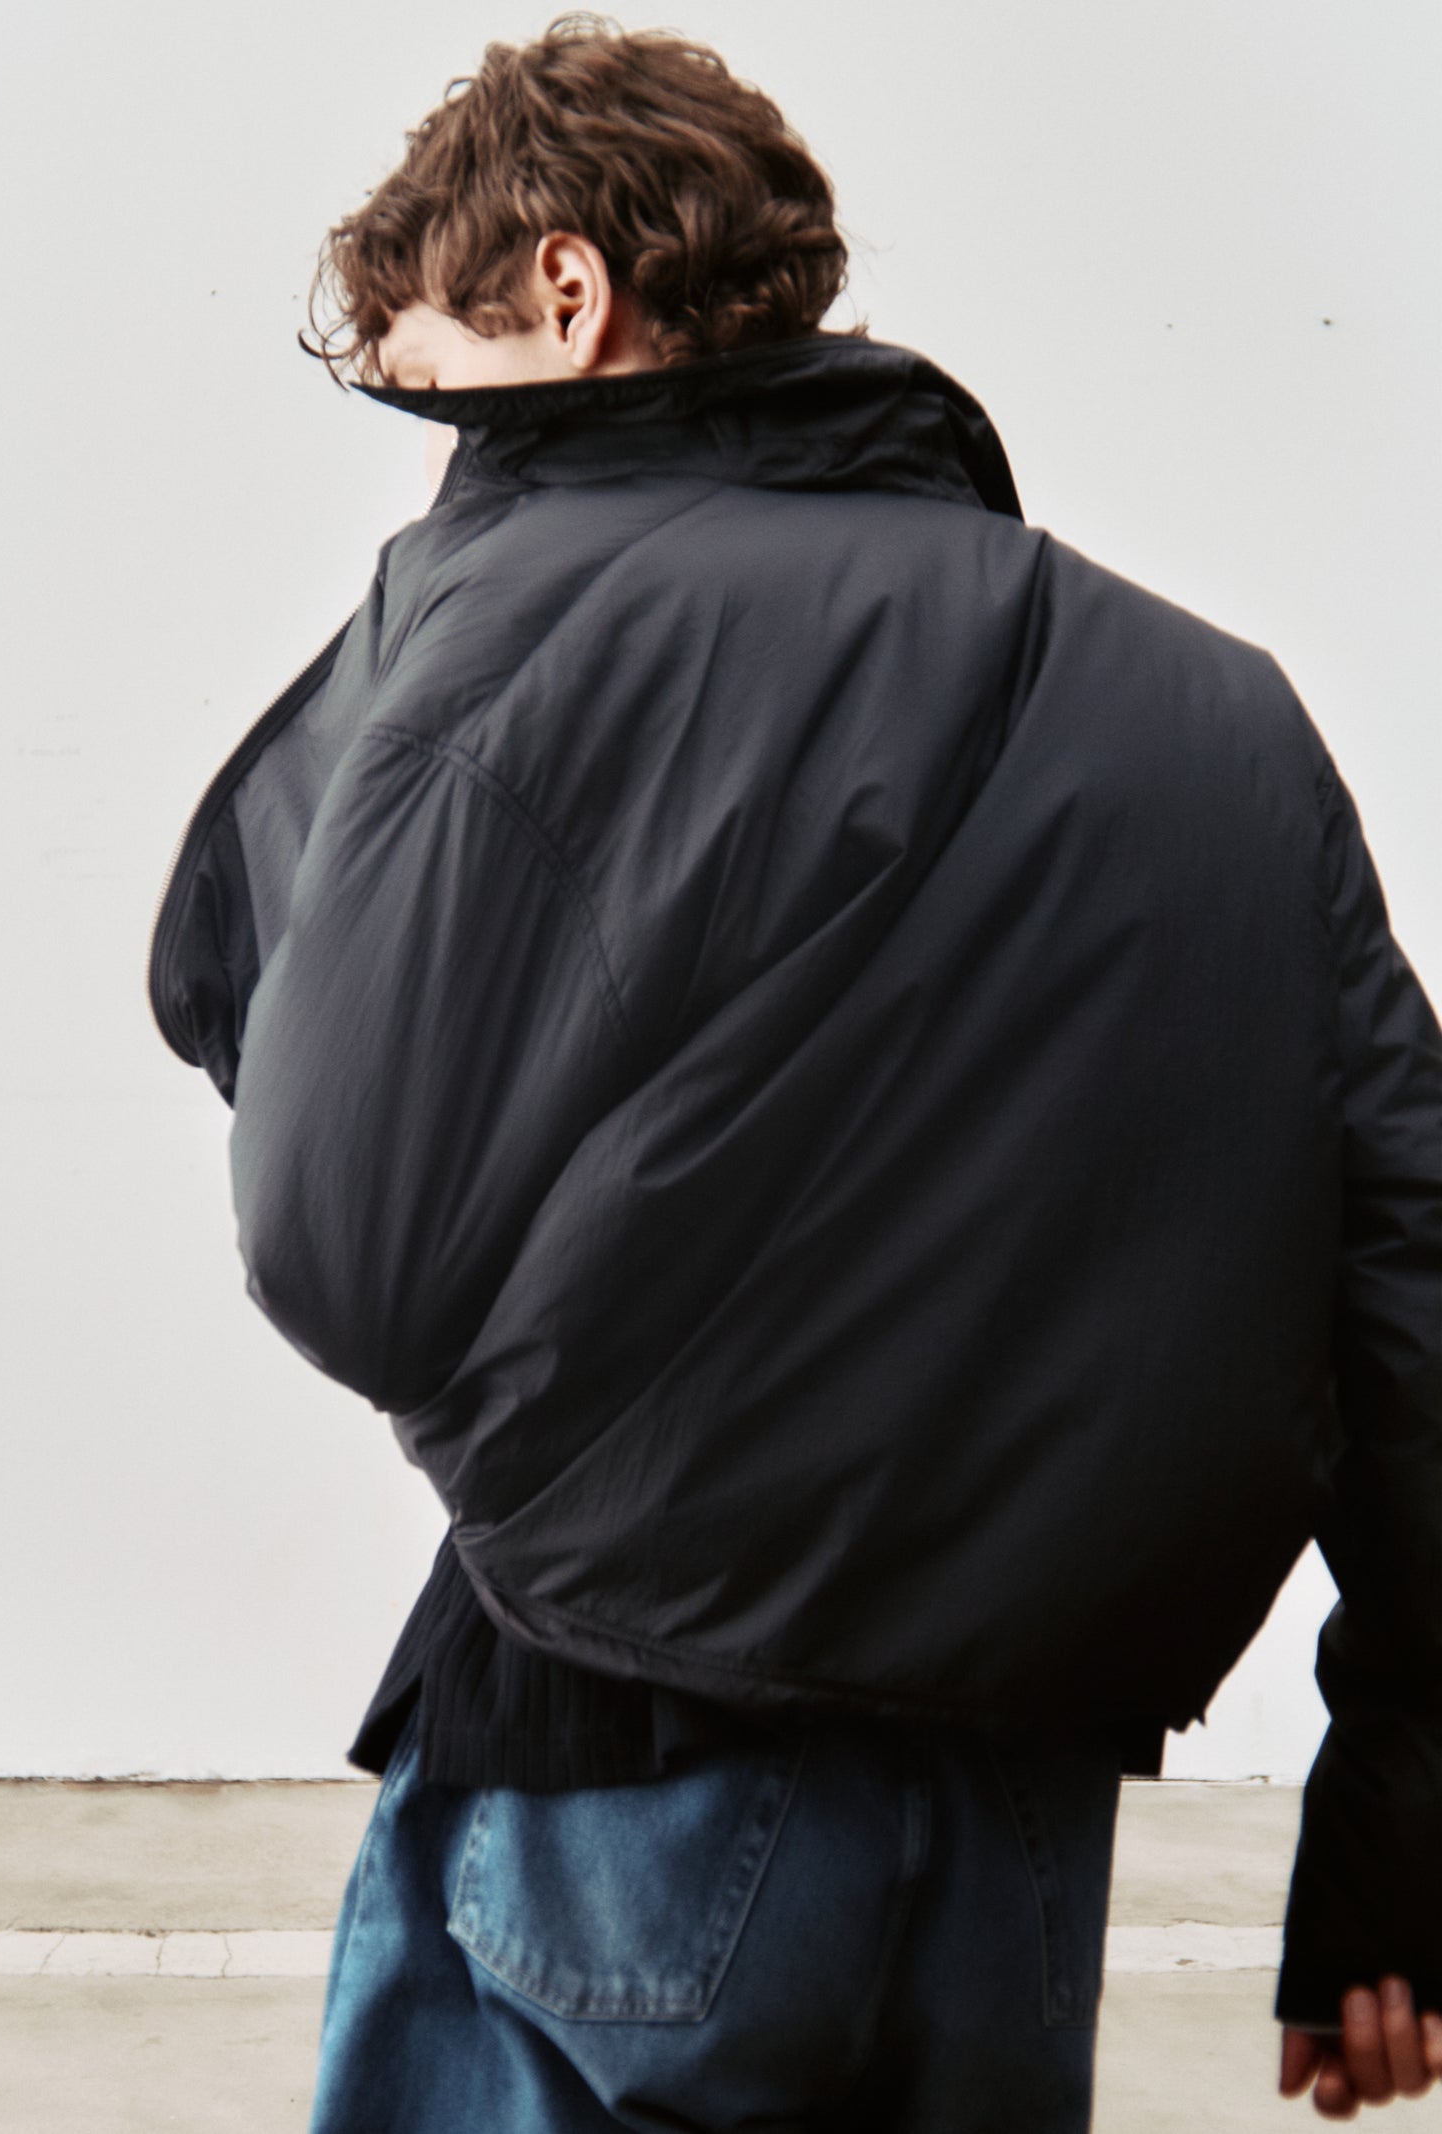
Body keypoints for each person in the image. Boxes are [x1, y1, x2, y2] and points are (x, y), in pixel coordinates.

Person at [146, 14, 1442, 2129]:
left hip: (618, 1761)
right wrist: (1396, 1822)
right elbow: (1410, 1291)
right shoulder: (1222, 709)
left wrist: (590, 1467)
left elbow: (339, 1251)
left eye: (436, 389)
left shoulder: (521, 627)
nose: (443, 473)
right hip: (1022, 1823)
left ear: (567, 292)